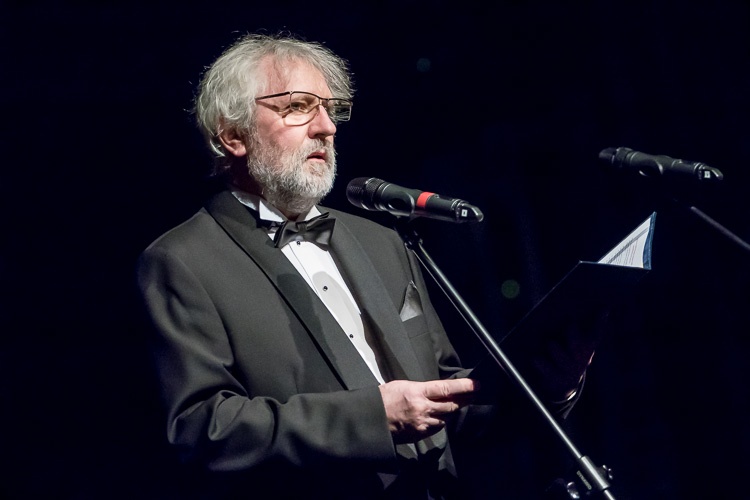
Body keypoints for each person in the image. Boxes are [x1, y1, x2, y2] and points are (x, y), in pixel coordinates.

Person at [137, 33, 596, 499]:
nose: (326, 128)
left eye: (330, 110)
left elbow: (449, 404)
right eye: (298, 107)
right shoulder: (184, 261)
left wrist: (548, 387)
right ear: (232, 135)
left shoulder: (382, 242)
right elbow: (202, 429)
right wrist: (374, 419)